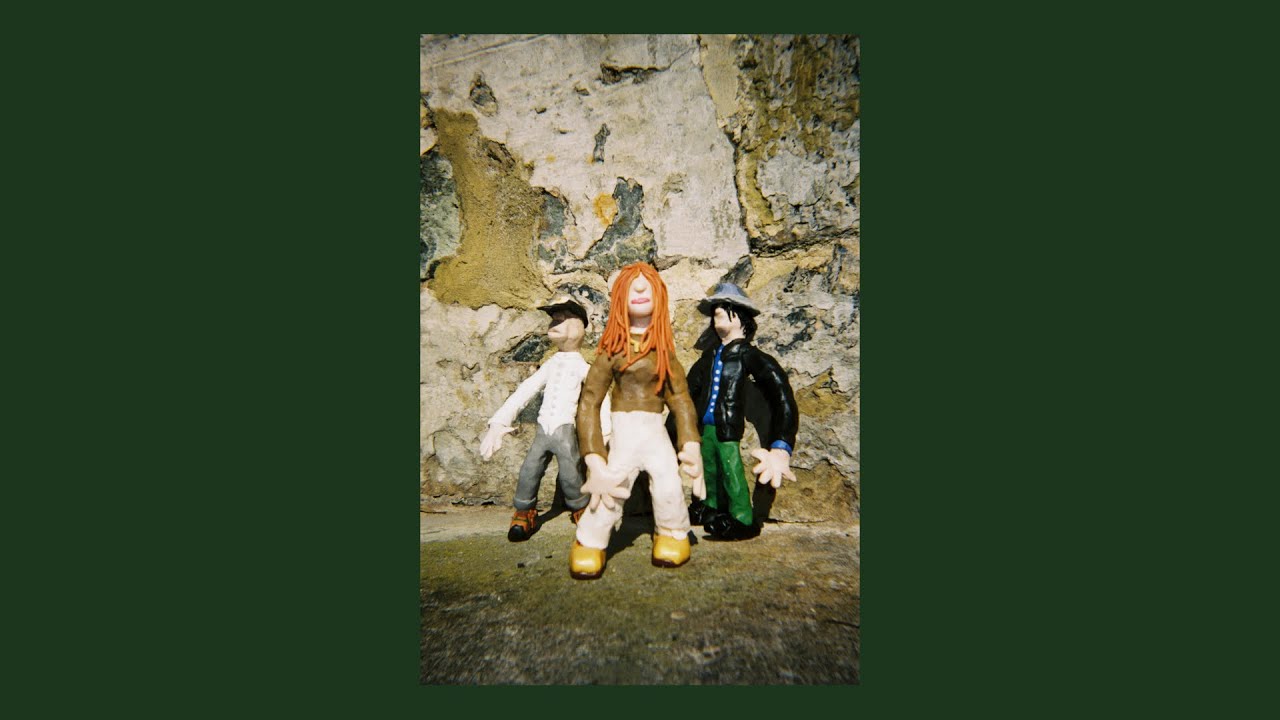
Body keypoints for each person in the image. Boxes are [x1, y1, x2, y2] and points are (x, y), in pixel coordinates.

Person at [570, 263, 704, 579]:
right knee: (611, 487)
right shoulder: (612, 350)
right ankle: (590, 540)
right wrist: (593, 454)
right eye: (632, 285)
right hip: (624, 432)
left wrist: (690, 443)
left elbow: (680, 398)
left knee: (669, 484)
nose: (641, 289)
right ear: (620, 297)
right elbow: (589, 401)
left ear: (659, 295)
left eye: (647, 284)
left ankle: (672, 532)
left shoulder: (664, 351)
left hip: (655, 431)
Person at [479, 297, 608, 541]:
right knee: (529, 469)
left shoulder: (583, 367)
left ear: (578, 326)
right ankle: (524, 511)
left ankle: (580, 508)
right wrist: (499, 422)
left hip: (565, 430)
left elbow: (599, 397)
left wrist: (607, 433)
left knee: (571, 473)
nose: (554, 322)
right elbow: (524, 391)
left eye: (562, 318)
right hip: (543, 430)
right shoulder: (550, 365)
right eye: (553, 319)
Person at [685, 283, 799, 540]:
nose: (717, 313)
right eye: (715, 309)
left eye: (724, 309)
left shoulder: (748, 355)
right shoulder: (709, 357)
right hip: (706, 426)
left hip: (728, 427)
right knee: (708, 468)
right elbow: (687, 391)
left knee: (730, 469)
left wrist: (781, 445)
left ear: (741, 318)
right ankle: (711, 507)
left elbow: (781, 394)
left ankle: (742, 518)